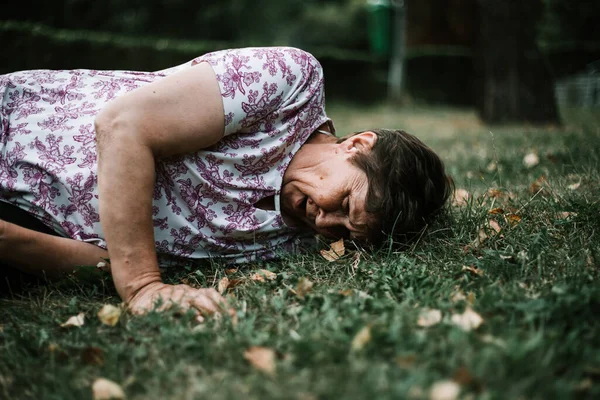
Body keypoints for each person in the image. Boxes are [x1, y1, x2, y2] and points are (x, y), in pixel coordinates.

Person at [0, 47, 451, 317]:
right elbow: (123, 125)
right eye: (345, 204)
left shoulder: (286, 245)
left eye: (343, 232)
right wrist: (141, 285)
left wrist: (9, 239)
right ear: (358, 145)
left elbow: (102, 259)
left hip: (26, 223)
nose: (325, 222)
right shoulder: (291, 87)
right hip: (15, 133)